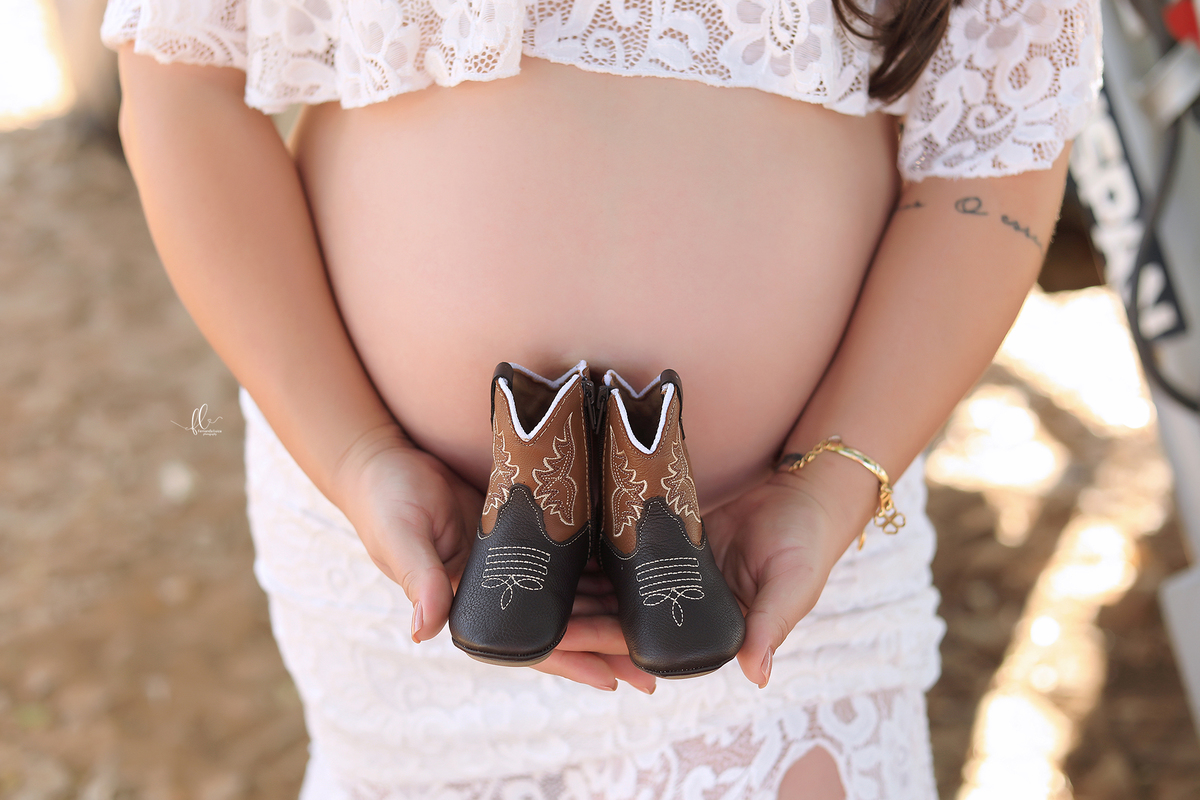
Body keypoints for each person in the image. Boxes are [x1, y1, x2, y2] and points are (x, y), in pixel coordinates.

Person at [100, 0, 1102, 792]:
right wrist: (358, 456)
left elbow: (999, 150)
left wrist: (835, 483)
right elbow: (180, 83)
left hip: (780, 578)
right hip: (393, 552)